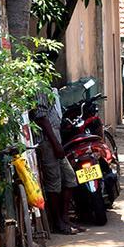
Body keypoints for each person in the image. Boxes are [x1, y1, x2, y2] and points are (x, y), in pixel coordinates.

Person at [33, 84, 81, 235]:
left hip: (56, 140)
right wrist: (55, 143)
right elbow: (41, 118)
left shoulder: (49, 88)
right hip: (47, 142)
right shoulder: (38, 87)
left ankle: (65, 218)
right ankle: (58, 222)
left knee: (70, 178)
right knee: (54, 183)